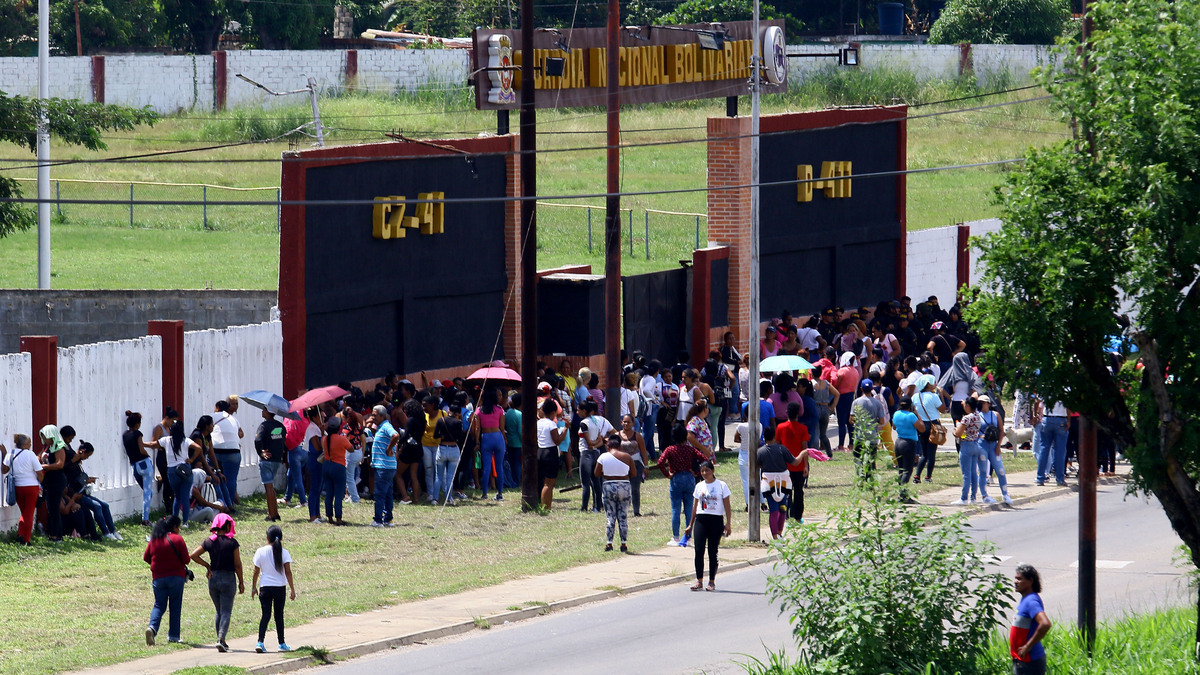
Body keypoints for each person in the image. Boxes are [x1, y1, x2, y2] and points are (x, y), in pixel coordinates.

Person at [189, 513, 244, 652]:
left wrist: (207, 566)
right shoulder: (232, 543)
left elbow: (193, 555)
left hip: (213, 578)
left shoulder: (209, 541)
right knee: (226, 611)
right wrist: (241, 582)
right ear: (226, 525)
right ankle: (221, 639)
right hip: (228, 579)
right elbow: (237, 565)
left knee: (219, 611)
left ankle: (220, 639)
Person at [683, 460, 732, 591]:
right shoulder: (699, 486)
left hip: (716, 521)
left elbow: (727, 505)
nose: (704, 473)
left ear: (713, 471)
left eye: (707, 471)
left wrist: (728, 523)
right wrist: (690, 524)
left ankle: (711, 581)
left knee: (712, 551)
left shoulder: (721, 485)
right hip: (701, 520)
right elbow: (695, 507)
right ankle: (699, 580)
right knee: (699, 550)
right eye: (702, 471)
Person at [143, 515, 190, 645]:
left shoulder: (155, 540)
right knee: (175, 606)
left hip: (158, 578)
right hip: (176, 578)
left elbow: (146, 557)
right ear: (174, 527)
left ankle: (152, 628)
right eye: (179, 527)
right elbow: (186, 559)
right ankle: (174, 636)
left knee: (159, 605)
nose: (179, 530)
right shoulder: (178, 539)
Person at [658, 424, 709, 546]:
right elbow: (703, 458)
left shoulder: (670, 450)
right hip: (689, 478)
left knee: (675, 509)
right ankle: (688, 536)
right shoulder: (690, 449)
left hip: (676, 478)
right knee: (689, 508)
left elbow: (660, 462)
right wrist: (696, 472)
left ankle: (675, 537)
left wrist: (667, 474)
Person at [252, 525, 296, 653]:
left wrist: (254, 587)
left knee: (265, 615)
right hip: (279, 588)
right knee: (279, 616)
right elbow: (288, 572)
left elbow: (256, 572)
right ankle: (281, 644)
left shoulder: (260, 551)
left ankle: (260, 642)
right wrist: (292, 589)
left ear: (267, 538)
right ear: (280, 538)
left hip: (265, 587)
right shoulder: (284, 552)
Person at [757, 425, 806, 538]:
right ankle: (779, 533)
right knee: (783, 508)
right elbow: (795, 462)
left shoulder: (760, 452)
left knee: (773, 510)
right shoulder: (782, 449)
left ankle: (775, 536)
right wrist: (803, 453)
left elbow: (758, 465)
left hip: (768, 484)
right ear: (774, 436)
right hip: (783, 483)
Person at [597, 434, 635, 552]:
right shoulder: (627, 457)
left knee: (610, 517)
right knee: (623, 516)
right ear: (620, 446)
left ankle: (609, 543)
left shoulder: (603, 457)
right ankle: (624, 543)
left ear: (608, 446)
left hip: (609, 485)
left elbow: (596, 473)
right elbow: (633, 473)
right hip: (624, 486)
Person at [2, 434, 42, 544]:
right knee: (29, 513)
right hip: (31, 487)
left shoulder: (11, 453)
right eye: (29, 443)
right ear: (24, 444)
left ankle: (20, 534)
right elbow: (39, 472)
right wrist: (41, 481)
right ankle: (26, 540)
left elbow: (4, 470)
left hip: (18, 487)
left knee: (24, 512)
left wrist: (4, 454)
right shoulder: (30, 454)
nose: (30, 445)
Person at [1011, 564, 1051, 674]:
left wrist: (1028, 646)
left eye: (1019, 579)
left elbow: (1045, 624)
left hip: (1029, 661)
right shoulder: (1026, 599)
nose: (1015, 581)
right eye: (1015, 578)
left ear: (1030, 581)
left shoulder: (1031, 601)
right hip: (1022, 660)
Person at [952, 398, 993, 505]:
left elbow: (958, 433)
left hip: (966, 445)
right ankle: (973, 498)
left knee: (966, 473)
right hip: (975, 443)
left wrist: (955, 431)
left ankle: (964, 498)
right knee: (974, 473)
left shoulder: (967, 418)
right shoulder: (977, 416)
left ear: (968, 406)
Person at [774, 402, 811, 523]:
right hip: (799, 465)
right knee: (799, 491)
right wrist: (806, 465)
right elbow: (804, 448)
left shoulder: (780, 427)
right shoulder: (803, 428)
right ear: (798, 414)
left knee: (785, 492)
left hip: (785, 466)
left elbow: (778, 446)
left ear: (787, 413)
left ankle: (786, 515)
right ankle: (798, 516)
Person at [939, 352, 983, 452]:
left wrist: (949, 397)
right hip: (967, 404)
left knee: (957, 428)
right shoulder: (971, 372)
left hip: (955, 404)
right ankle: (968, 448)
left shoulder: (952, 372)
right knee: (969, 427)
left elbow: (940, 387)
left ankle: (960, 451)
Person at [163, 420, 204, 526]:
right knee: (185, 497)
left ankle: (174, 522)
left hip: (172, 471)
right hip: (185, 470)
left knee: (177, 496)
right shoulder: (186, 440)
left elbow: (154, 444)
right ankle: (185, 522)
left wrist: (143, 443)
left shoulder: (167, 440)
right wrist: (191, 459)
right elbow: (199, 448)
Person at [471, 386, 506, 501]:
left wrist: (477, 442)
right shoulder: (500, 409)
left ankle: (484, 493)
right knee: (499, 466)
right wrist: (505, 439)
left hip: (486, 438)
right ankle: (500, 493)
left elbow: (477, 429)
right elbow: (502, 427)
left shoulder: (479, 410)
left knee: (486, 468)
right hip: (498, 437)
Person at [577, 401, 613, 513]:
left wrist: (591, 444)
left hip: (586, 453)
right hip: (595, 453)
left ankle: (584, 507)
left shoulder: (583, 423)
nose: (577, 412)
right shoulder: (596, 421)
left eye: (578, 410)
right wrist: (595, 444)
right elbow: (599, 439)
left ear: (584, 411)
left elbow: (588, 442)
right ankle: (598, 506)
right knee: (596, 481)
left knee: (585, 483)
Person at [125, 411, 159, 526]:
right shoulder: (138, 434)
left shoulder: (125, 435)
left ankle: (145, 518)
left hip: (134, 466)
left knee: (147, 492)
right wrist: (147, 455)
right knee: (147, 493)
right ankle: (145, 519)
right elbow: (141, 449)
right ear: (137, 424)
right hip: (144, 464)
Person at [978, 395, 1013, 505]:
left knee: (1000, 470)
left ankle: (1005, 494)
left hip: (993, 445)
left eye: (983, 402)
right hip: (982, 445)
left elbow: (1001, 431)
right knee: (983, 471)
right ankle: (984, 495)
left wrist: (998, 445)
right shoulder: (977, 416)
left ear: (988, 403)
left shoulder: (995, 415)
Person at [211, 397, 245, 510]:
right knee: (231, 480)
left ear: (217, 408)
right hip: (233, 451)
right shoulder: (234, 419)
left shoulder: (213, 416)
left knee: (215, 477)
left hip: (216, 450)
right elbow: (240, 433)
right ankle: (230, 504)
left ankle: (220, 502)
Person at [254, 409, 287, 522]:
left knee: (268, 487)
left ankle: (272, 515)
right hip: (277, 460)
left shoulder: (263, 425)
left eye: (264, 409)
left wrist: (261, 452)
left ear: (268, 412)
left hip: (267, 460)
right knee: (271, 487)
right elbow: (283, 441)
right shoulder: (280, 426)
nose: (262, 411)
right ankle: (276, 513)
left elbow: (258, 439)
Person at [536, 398, 569, 510]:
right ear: (553, 412)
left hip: (540, 451)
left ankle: (538, 504)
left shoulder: (538, 422)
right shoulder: (551, 424)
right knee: (549, 484)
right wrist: (565, 429)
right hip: (550, 452)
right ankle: (546, 507)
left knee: (540, 481)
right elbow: (557, 440)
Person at [913, 374, 946, 483]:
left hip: (921, 425)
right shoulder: (934, 397)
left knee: (924, 452)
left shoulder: (915, 397)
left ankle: (917, 476)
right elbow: (943, 409)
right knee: (931, 453)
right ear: (928, 385)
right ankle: (928, 477)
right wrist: (941, 395)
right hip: (933, 425)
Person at [39, 424, 69, 542]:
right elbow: (39, 456)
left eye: (46, 436)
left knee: (54, 508)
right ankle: (53, 533)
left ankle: (57, 535)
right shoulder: (47, 447)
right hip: (49, 480)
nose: (44, 439)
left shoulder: (59, 447)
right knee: (50, 507)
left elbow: (59, 464)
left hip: (57, 480)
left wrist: (44, 466)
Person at [370, 405, 399, 527]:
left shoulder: (386, 426)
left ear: (383, 416)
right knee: (387, 493)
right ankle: (388, 519)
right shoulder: (381, 427)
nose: (372, 417)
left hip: (384, 467)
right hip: (388, 466)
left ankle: (378, 520)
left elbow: (396, 435)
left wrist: (388, 449)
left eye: (375, 415)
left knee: (380, 494)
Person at [319, 417, 351, 525]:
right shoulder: (342, 439)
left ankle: (329, 517)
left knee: (329, 494)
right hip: (339, 466)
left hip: (327, 465)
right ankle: (339, 518)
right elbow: (351, 449)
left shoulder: (324, 439)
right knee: (338, 494)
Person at [891, 398, 924, 499]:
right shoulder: (911, 416)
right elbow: (922, 428)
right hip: (908, 443)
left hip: (898, 442)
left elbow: (894, 427)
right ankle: (903, 495)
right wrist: (918, 415)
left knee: (901, 470)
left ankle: (901, 492)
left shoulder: (896, 414)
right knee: (907, 471)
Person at [618, 414, 649, 517]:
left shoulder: (637, 436)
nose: (626, 424)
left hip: (636, 465)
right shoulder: (617, 435)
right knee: (623, 489)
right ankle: (623, 509)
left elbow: (644, 452)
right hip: (622, 465)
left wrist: (646, 466)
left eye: (628, 422)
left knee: (635, 488)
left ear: (633, 423)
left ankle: (636, 511)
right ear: (621, 422)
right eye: (624, 422)